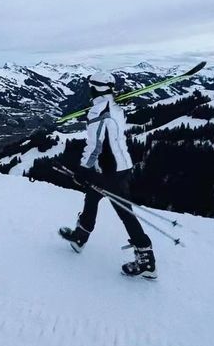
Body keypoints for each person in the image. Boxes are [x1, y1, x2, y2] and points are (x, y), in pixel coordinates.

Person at [59, 70, 157, 279]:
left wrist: (83, 169)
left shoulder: (98, 112)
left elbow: (94, 146)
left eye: (90, 88)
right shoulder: (115, 107)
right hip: (119, 166)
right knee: (92, 197)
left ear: (94, 88)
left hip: (111, 171)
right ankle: (81, 236)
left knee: (124, 212)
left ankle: (146, 258)